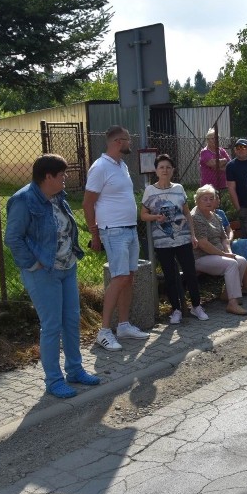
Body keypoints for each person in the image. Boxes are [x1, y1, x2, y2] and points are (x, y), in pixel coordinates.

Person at [5, 154, 99, 399]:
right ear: (48, 177)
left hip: (67, 267)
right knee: (51, 326)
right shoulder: (23, 200)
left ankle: (75, 370)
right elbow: (13, 237)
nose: (65, 179)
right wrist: (33, 264)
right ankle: (54, 380)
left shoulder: (57, 196)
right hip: (43, 271)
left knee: (71, 320)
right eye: (62, 175)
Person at [83, 126, 150, 352]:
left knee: (128, 277)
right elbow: (87, 203)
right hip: (113, 231)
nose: (130, 143)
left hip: (129, 230)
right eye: (128, 140)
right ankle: (103, 332)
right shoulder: (100, 167)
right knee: (119, 278)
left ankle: (123, 325)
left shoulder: (121, 165)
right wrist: (95, 234)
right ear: (118, 142)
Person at [141, 154, 208, 324]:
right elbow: (143, 215)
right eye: (161, 167)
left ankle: (196, 306)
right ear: (156, 170)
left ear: (173, 170)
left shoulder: (179, 188)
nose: (165, 170)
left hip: (183, 239)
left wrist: (192, 234)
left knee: (190, 273)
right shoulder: (149, 190)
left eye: (168, 167)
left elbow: (186, 212)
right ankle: (176, 309)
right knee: (170, 276)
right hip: (162, 242)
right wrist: (156, 217)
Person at [191, 185, 247, 315]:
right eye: (204, 199)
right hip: (200, 257)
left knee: (241, 261)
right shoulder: (196, 217)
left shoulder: (214, 215)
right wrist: (224, 254)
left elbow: (224, 238)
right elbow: (203, 244)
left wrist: (228, 251)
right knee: (231, 263)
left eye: (211, 199)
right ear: (197, 200)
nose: (208, 202)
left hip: (217, 255)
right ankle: (232, 303)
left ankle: (227, 294)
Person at [226, 138, 247, 241]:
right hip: (245, 207)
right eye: (238, 147)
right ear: (235, 150)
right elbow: (231, 188)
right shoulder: (231, 166)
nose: (241, 149)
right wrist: (238, 209)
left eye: (244, 147)